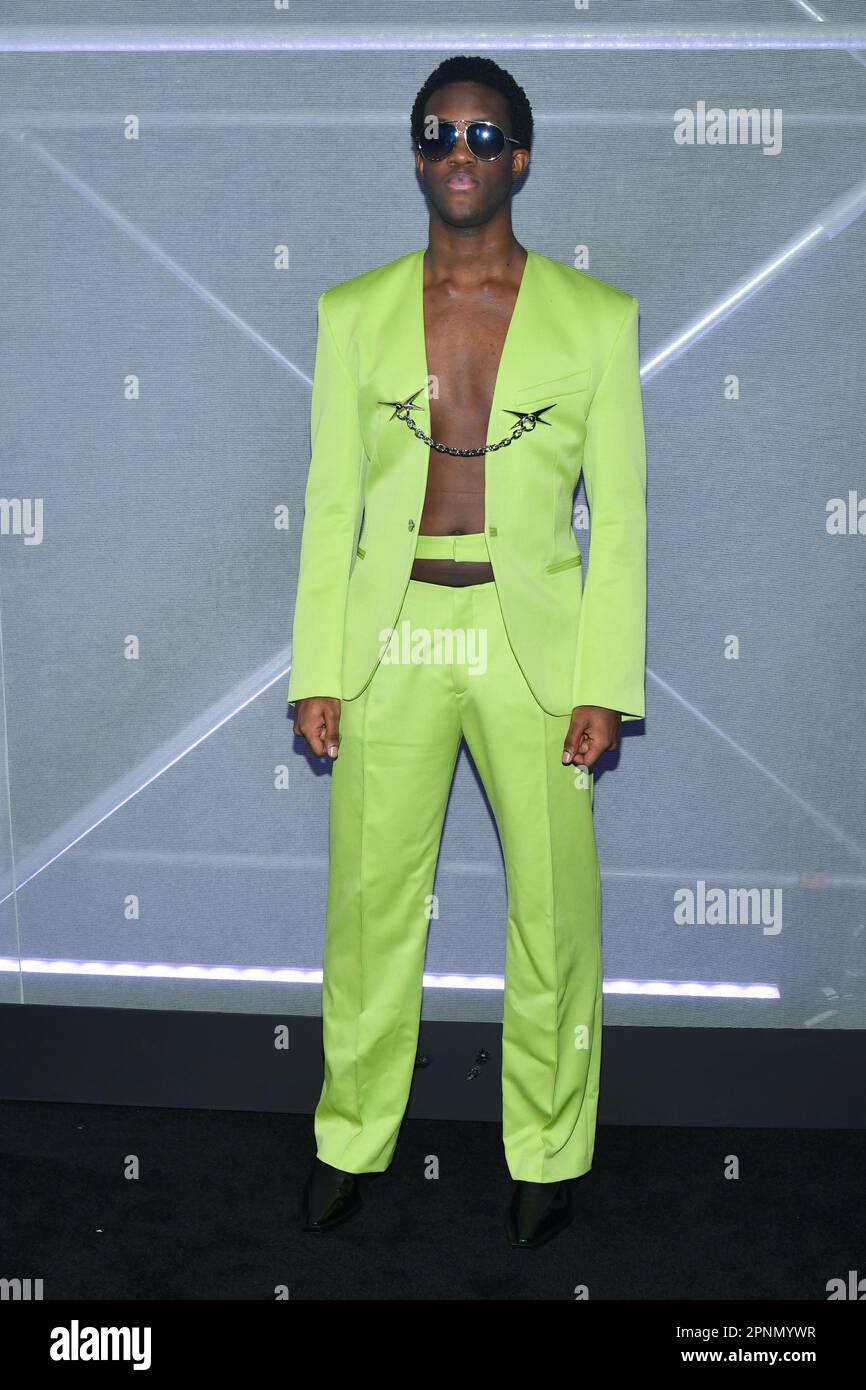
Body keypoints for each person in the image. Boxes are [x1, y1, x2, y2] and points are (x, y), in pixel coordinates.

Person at [288, 54, 647, 1249]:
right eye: (437, 131)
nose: (458, 149)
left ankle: (548, 1150)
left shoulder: (597, 322)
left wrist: (603, 683)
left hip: (526, 642)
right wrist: (319, 670)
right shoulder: (350, 314)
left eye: (482, 136)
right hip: (388, 637)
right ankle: (349, 1137)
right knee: (368, 908)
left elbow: (624, 521)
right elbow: (329, 509)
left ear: (520, 158)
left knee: (553, 914)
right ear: (414, 153)